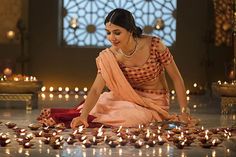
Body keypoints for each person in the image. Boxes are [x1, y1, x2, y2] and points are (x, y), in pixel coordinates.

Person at [37, 8, 197, 129]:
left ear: (131, 30)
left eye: (117, 33)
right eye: (108, 33)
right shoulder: (110, 55)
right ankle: (83, 119)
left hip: (153, 102)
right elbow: (95, 89)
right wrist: (84, 116)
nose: (111, 38)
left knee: (129, 118)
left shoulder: (155, 45)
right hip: (124, 97)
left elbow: (176, 78)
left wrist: (184, 111)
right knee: (99, 105)